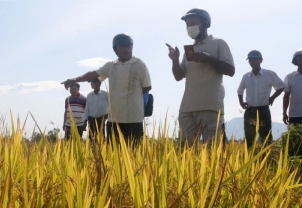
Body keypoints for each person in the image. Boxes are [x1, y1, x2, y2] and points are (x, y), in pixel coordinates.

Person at [62, 33, 152, 144]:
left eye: (128, 45)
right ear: (115, 49)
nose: (126, 49)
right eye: (122, 46)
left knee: (133, 155)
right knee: (113, 154)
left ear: (132, 46)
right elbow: (93, 74)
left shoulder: (139, 64)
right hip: (114, 119)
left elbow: (147, 87)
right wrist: (74, 79)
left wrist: (130, 98)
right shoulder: (111, 66)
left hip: (134, 119)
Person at [168, 8, 235, 147]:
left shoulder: (218, 43)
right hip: (187, 108)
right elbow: (179, 76)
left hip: (210, 107)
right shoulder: (189, 50)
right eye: (187, 25)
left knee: (212, 153)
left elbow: (230, 70)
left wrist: (208, 59)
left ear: (205, 23)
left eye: (193, 23)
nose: (189, 27)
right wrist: (175, 60)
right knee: (187, 152)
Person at [237, 50, 285, 148]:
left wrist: (272, 98)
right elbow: (240, 91)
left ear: (261, 60)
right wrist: (241, 103)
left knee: (266, 137)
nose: (252, 61)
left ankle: (267, 160)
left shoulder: (269, 74)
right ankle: (250, 159)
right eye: (250, 60)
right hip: (250, 111)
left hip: (263, 110)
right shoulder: (246, 76)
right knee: (249, 138)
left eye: (254, 59)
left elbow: (281, 86)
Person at [283, 49, 302, 126]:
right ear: (296, 61)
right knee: (294, 137)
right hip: (295, 114)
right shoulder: (290, 77)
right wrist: (284, 113)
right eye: (300, 58)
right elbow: (286, 96)